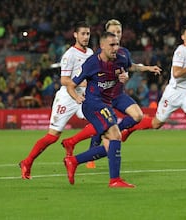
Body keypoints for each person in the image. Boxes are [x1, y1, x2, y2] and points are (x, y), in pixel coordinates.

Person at [61, 19, 161, 168]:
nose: (116, 35)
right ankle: (90, 156)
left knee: (137, 116)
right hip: (101, 99)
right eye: (113, 32)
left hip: (118, 95)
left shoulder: (123, 53)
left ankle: (115, 133)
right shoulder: (98, 57)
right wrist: (78, 94)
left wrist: (146, 68)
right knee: (105, 133)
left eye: (119, 32)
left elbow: (129, 67)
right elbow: (90, 77)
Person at [121, 24, 186, 162]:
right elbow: (176, 73)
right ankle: (130, 129)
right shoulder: (180, 51)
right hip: (173, 94)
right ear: (183, 37)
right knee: (156, 124)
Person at [19, 21, 94, 179]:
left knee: (100, 123)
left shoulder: (90, 53)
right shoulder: (69, 55)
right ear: (75, 35)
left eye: (88, 34)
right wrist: (83, 84)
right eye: (83, 34)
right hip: (67, 97)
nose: (86, 37)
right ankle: (27, 162)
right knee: (52, 136)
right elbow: (64, 80)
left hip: (84, 95)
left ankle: (71, 142)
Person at [64, 31, 134, 188]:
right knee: (116, 134)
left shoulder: (121, 59)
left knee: (111, 145)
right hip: (92, 104)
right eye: (111, 45)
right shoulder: (92, 63)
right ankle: (114, 180)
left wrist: (124, 78)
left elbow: (123, 75)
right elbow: (71, 84)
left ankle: (73, 161)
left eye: (117, 44)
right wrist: (75, 96)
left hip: (107, 104)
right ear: (102, 46)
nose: (115, 48)